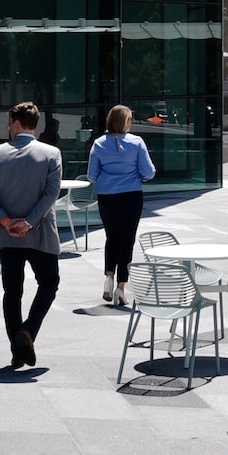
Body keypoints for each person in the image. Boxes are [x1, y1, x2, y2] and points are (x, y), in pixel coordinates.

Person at [0, 102, 63, 369]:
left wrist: (5, 221)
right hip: (40, 234)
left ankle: (17, 351)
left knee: (12, 293)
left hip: (7, 235)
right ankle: (28, 330)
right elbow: (51, 195)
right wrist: (29, 222)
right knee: (49, 283)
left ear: (15, 123)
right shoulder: (52, 153)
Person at [88, 104, 157, 307]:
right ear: (123, 121)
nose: (131, 123)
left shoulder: (99, 144)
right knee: (127, 240)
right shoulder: (136, 142)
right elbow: (149, 172)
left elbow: (92, 175)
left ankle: (108, 277)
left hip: (107, 197)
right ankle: (120, 287)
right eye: (129, 119)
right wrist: (138, 176)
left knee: (112, 237)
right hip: (131, 196)